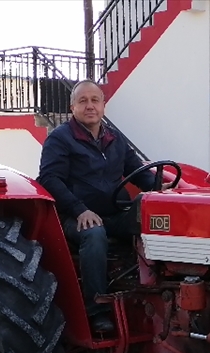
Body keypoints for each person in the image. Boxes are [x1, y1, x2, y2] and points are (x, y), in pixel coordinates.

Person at [38, 80, 155, 334]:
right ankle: (97, 311)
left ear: (103, 105)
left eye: (95, 100)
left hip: (114, 213)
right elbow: (49, 179)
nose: (89, 106)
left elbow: (138, 171)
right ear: (73, 107)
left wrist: (160, 190)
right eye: (83, 101)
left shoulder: (114, 138)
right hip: (75, 217)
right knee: (94, 233)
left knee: (154, 220)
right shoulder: (60, 139)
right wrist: (79, 209)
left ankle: (153, 292)